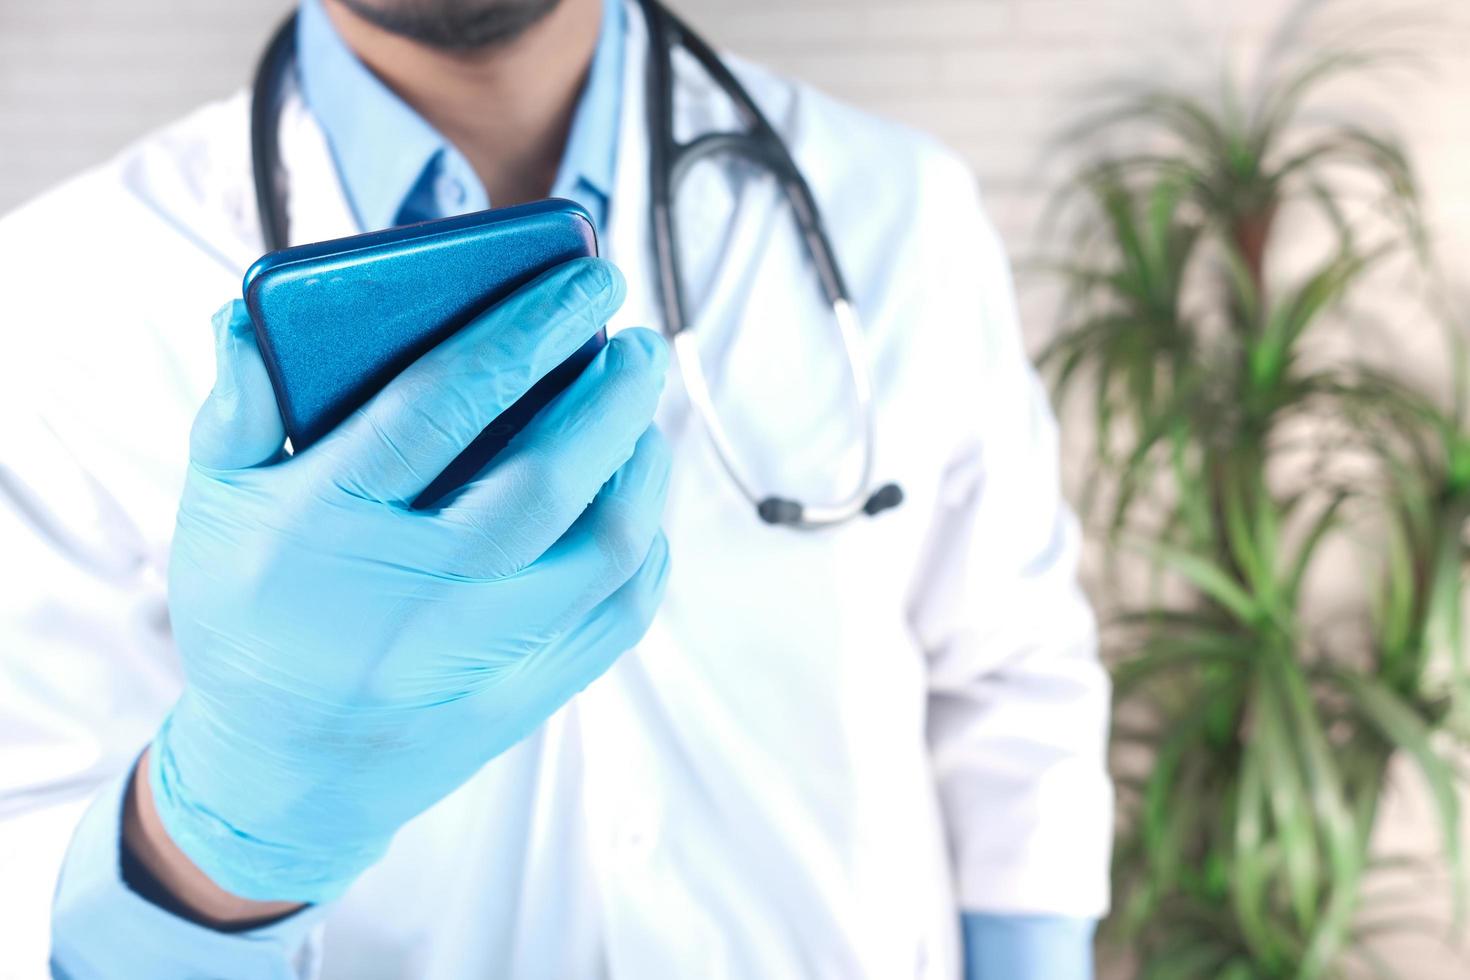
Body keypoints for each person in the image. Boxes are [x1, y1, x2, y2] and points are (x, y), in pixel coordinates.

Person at [0, 0, 1113, 976]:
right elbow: (33, 877)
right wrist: (226, 828)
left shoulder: (901, 207)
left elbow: (1013, 673)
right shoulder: (52, 299)